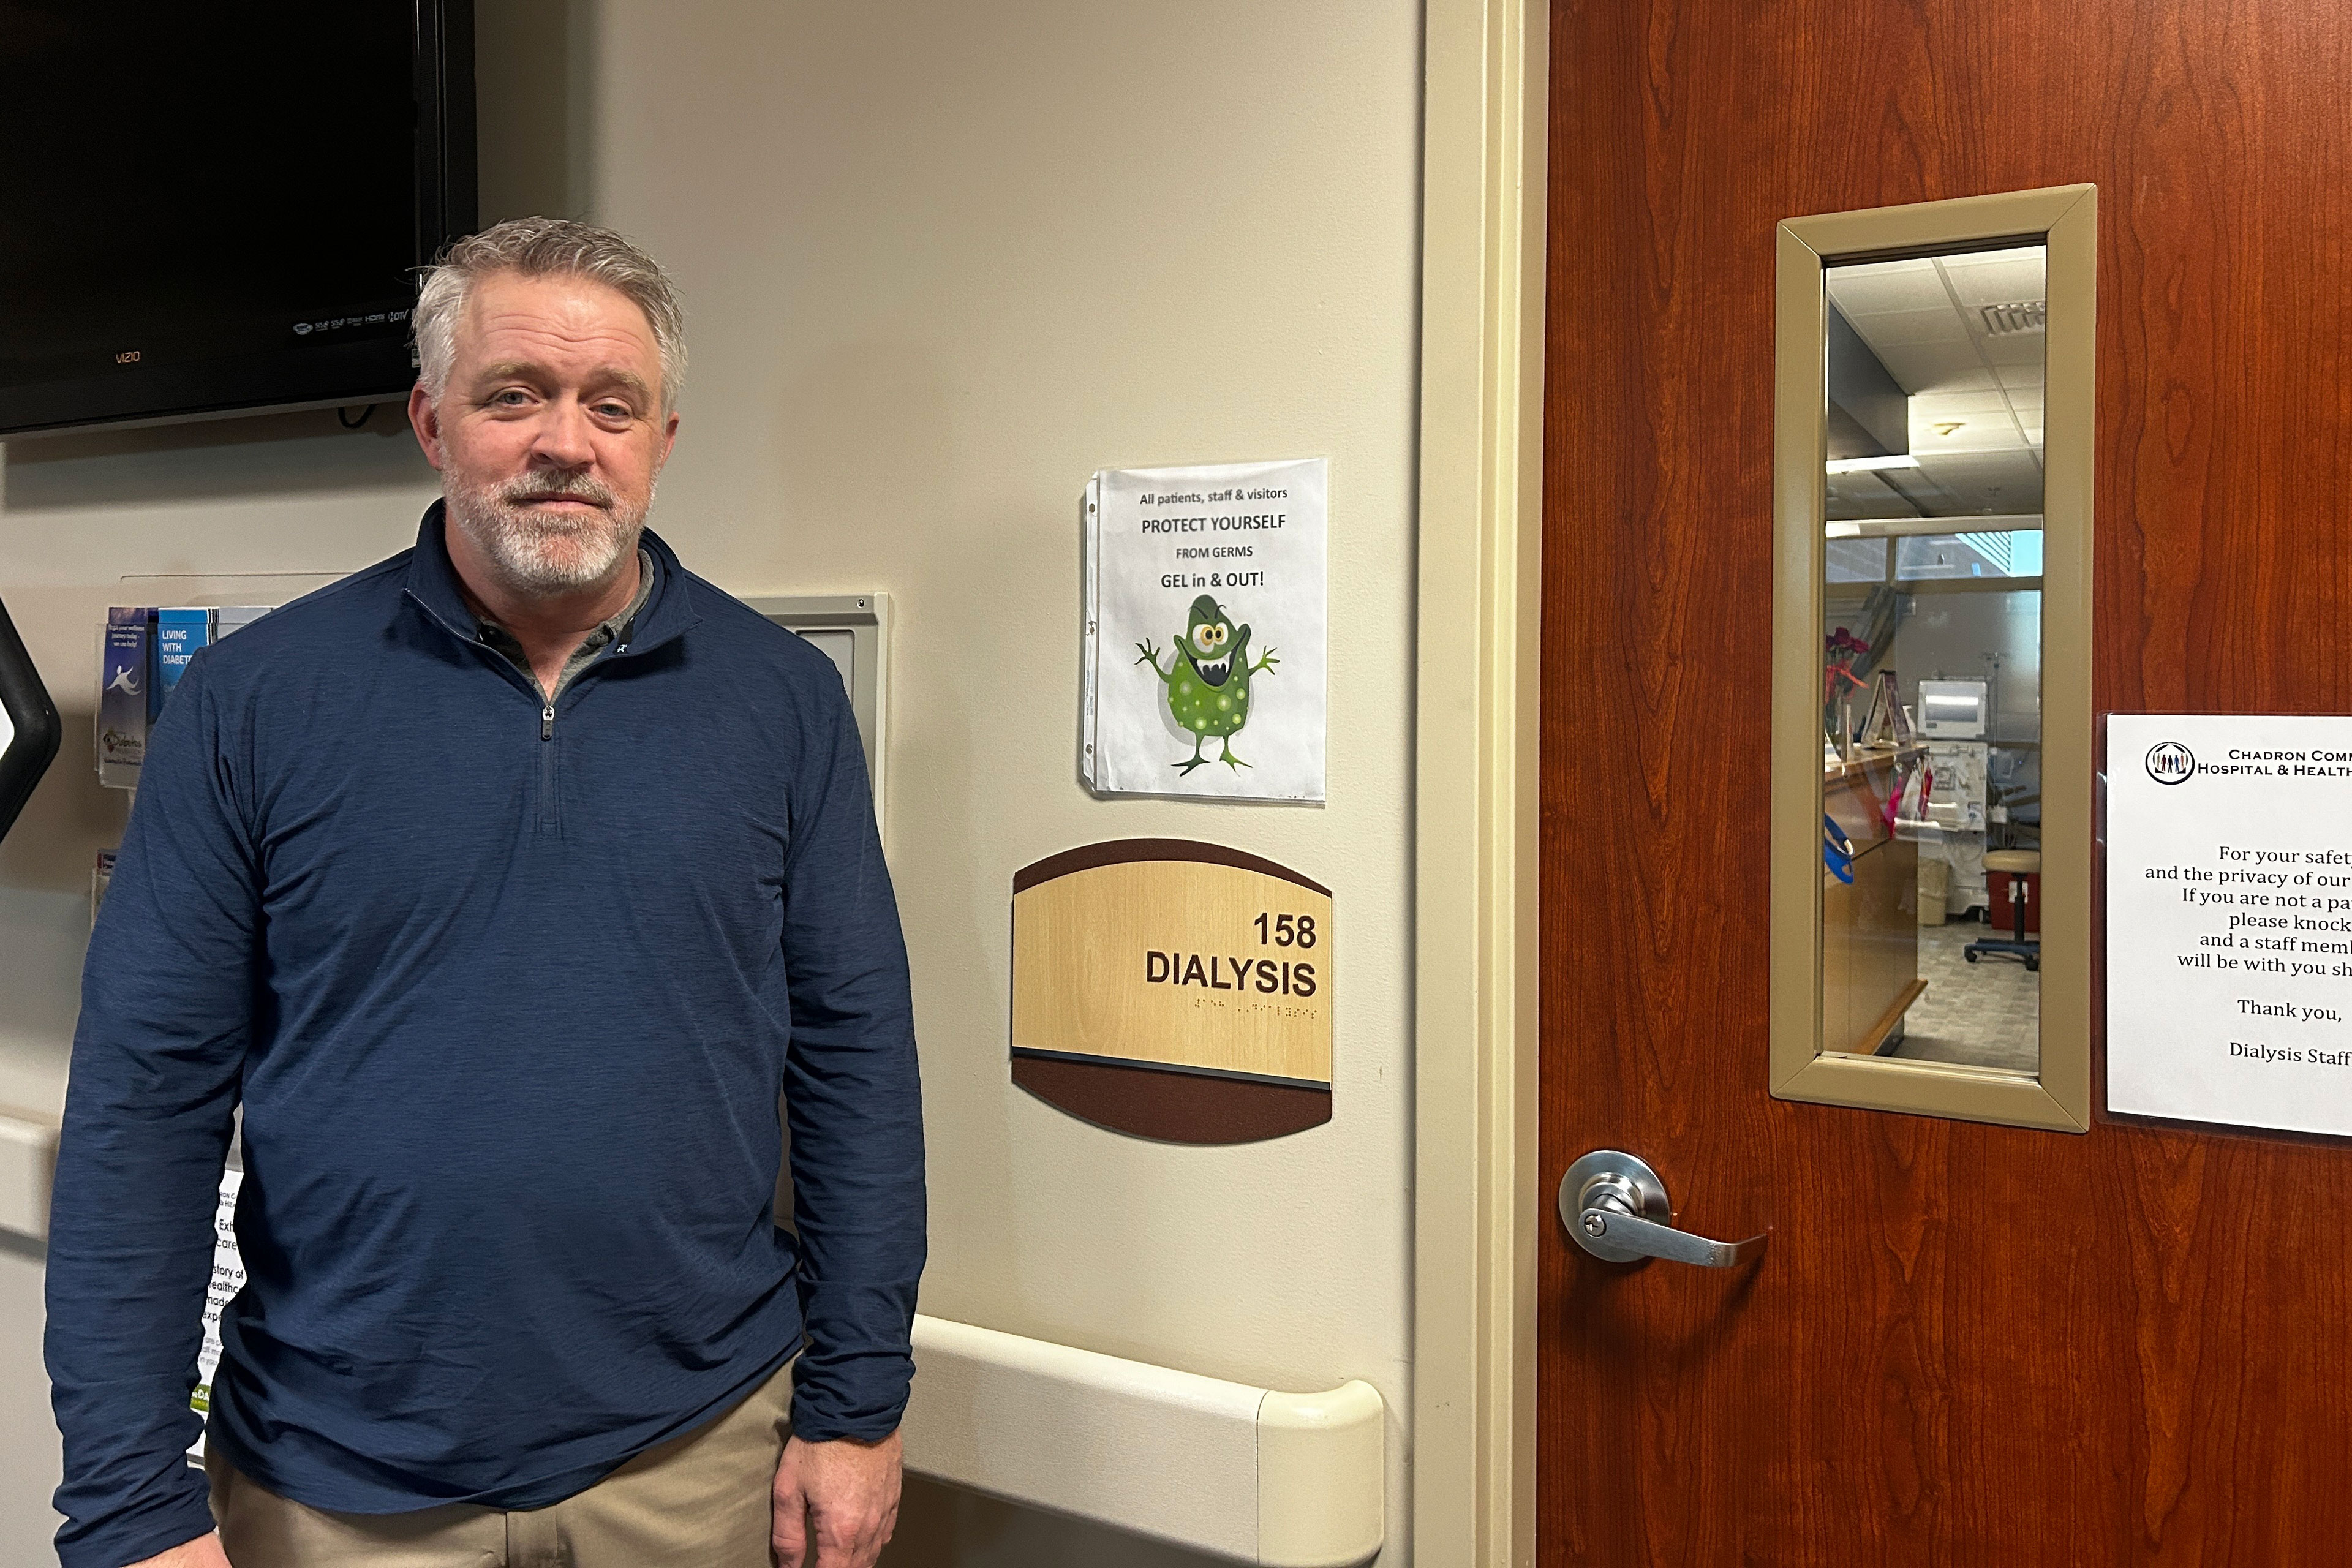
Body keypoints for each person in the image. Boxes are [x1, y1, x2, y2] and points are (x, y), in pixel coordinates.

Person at [44, 217, 926, 1568]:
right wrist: (125, 1501)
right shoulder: (253, 704)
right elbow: (142, 1103)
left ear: (662, 440)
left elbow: (858, 1062)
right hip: (333, 1484)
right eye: (513, 393)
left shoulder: (783, 704)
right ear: (431, 420)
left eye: (610, 403)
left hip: (699, 1459)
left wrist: (860, 1406)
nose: (565, 441)